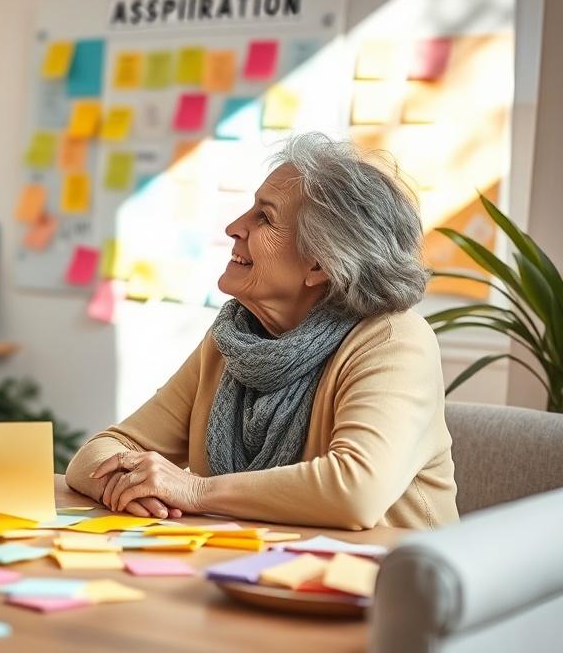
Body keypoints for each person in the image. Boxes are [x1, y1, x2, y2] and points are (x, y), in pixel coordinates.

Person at [66, 133, 459, 530]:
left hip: (388, 582)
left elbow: (355, 491)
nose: (234, 227)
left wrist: (195, 491)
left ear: (319, 265)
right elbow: (98, 454)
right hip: (254, 570)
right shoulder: (233, 341)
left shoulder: (394, 341)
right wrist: (135, 489)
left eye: (264, 217)